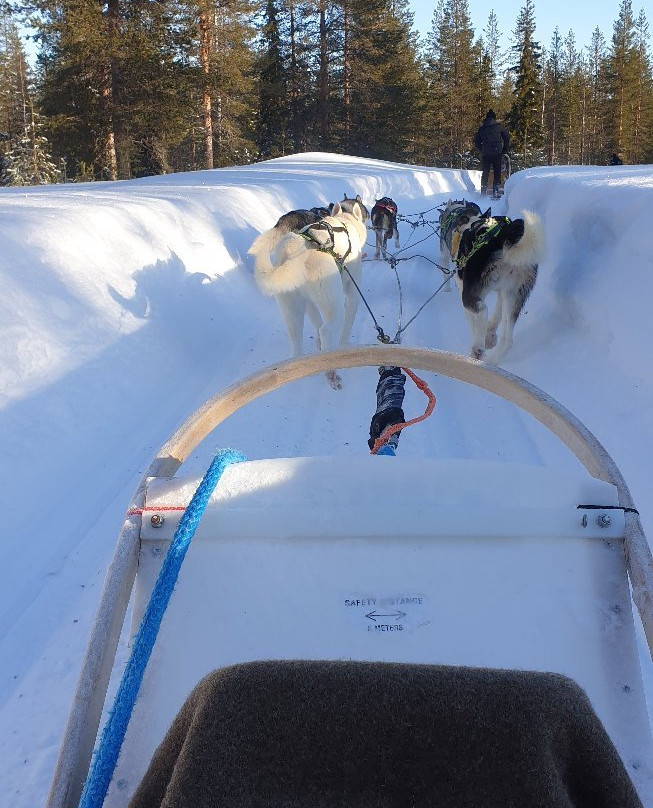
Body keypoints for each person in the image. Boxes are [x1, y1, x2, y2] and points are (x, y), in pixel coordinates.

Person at [474, 109, 510, 196]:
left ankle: (483, 191)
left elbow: (477, 142)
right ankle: (495, 191)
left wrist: (482, 149)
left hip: (486, 154)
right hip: (497, 152)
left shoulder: (482, 129)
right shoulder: (499, 127)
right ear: (494, 118)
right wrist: (504, 149)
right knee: (497, 172)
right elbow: (506, 138)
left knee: (485, 172)